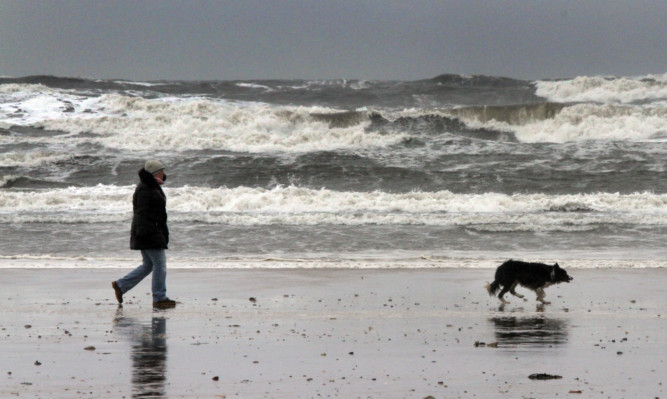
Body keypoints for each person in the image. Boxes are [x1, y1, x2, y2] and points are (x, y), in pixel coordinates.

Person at [112, 160, 176, 308]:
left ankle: (121, 286)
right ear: (154, 173)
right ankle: (159, 297)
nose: (163, 173)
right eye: (161, 171)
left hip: (151, 231)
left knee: (148, 265)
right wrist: (142, 233)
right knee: (160, 265)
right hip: (148, 233)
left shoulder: (153, 187)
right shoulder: (145, 189)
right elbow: (141, 213)